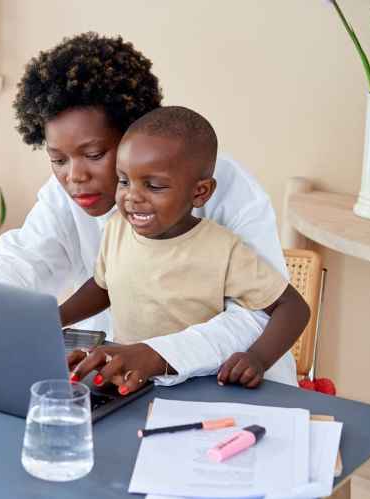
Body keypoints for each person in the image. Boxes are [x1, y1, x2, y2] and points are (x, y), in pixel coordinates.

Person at [0, 32, 299, 389]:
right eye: (58, 159)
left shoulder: (232, 195)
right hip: (123, 377)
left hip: (229, 386)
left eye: (95, 155)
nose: (75, 175)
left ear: (133, 137)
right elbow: (24, 260)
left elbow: (258, 316)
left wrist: (157, 354)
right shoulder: (74, 194)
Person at [60, 106, 310, 392]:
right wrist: (54, 318)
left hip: (198, 385)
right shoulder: (117, 228)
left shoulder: (222, 249)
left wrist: (257, 358)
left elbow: (293, 307)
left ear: (200, 192)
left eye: (153, 186)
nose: (131, 197)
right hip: (131, 381)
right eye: (124, 180)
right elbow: (103, 286)